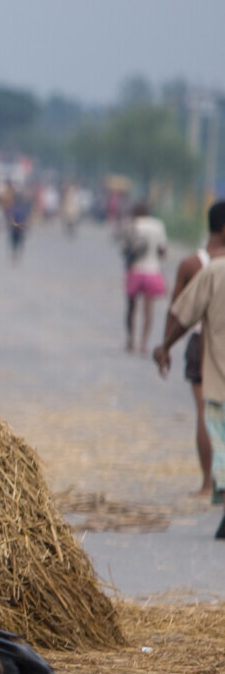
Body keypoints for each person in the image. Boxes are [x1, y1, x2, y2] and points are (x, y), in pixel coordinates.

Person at [155, 205, 225, 537]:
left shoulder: (200, 266)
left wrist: (165, 346)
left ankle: (209, 482)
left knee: (208, 413)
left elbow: (181, 311)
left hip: (205, 348)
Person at [121, 203, 169, 353]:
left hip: (135, 270)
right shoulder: (158, 225)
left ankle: (131, 340)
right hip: (152, 271)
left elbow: (125, 249)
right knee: (148, 310)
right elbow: (162, 250)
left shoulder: (132, 225)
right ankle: (144, 343)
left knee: (131, 307)